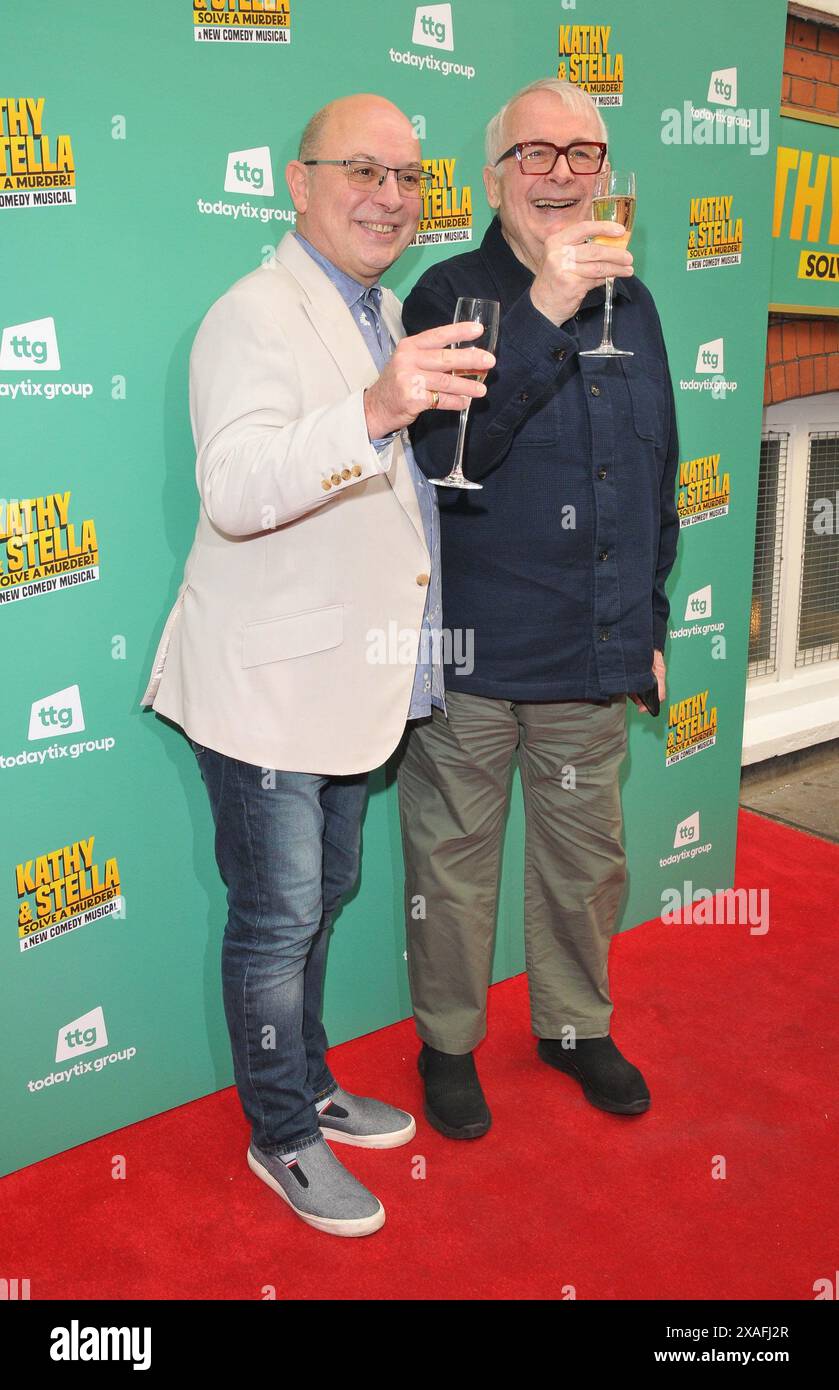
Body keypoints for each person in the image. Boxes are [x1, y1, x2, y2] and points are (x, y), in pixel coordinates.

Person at [140, 94, 494, 1234]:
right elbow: (237, 492)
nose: (390, 197)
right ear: (299, 184)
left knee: (321, 898)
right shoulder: (251, 313)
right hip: (265, 691)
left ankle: (309, 1083)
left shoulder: (381, 306)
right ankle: (281, 1134)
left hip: (346, 681)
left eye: (409, 178)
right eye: (362, 170)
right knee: (279, 916)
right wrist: (377, 406)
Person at [398, 78, 680, 1139]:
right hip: (473, 651)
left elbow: (652, 476)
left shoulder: (638, 301)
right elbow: (446, 457)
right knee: (452, 866)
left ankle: (571, 1027)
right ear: (493, 176)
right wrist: (546, 308)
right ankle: (448, 1043)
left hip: (590, 649)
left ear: (607, 174)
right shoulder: (446, 293)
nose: (560, 174)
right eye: (535, 154)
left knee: (583, 860)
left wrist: (646, 627)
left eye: (582, 153)